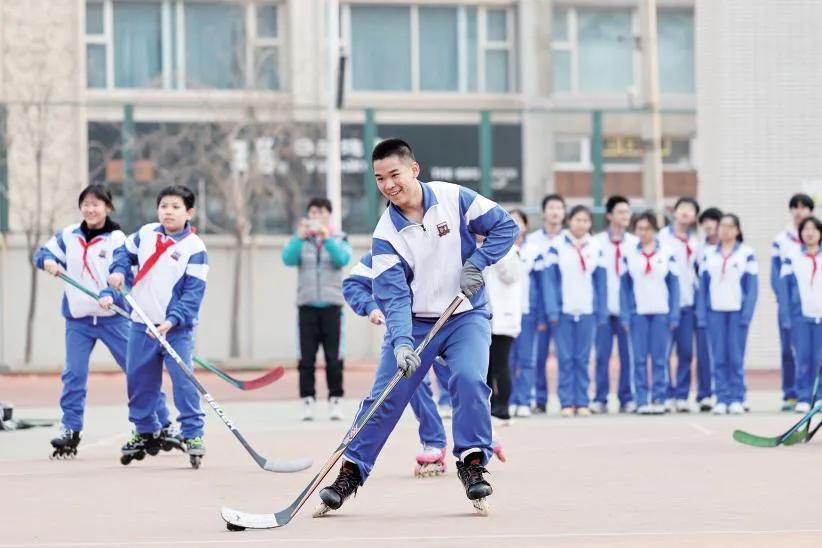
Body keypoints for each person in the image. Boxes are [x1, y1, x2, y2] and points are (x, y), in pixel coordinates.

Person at [315, 138, 518, 516]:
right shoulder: (385, 236)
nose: (389, 184)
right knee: (384, 398)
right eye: (379, 178)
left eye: (394, 174)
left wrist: (478, 262)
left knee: (470, 379)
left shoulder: (454, 198)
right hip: (415, 323)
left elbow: (504, 227)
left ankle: (472, 463)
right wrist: (402, 343)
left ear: (414, 169)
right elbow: (392, 298)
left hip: (465, 314)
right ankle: (350, 473)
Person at [34, 184, 175, 458]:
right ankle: (70, 430)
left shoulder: (117, 239)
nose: (90, 208)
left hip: (113, 318)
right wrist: (48, 262)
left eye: (96, 204)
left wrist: (110, 293)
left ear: (108, 207)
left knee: (139, 372)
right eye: (85, 204)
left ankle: (164, 423)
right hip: (79, 320)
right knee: (74, 374)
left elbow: (123, 271)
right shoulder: (69, 235)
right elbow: (42, 254)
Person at [342, 251, 507, 477]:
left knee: (464, 377)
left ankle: (481, 435)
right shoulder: (385, 249)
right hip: (408, 328)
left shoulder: (448, 236)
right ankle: (434, 441)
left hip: (453, 323)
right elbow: (353, 283)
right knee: (409, 381)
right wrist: (371, 307)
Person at [107, 185, 208, 464]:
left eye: (175, 207)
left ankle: (193, 433)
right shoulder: (146, 234)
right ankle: (145, 429)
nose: (168, 212)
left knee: (183, 381)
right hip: (141, 323)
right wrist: (117, 270)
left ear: (189, 212)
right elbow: (122, 254)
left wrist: (173, 320)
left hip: (176, 329)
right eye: (164, 206)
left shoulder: (195, 249)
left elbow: (193, 293)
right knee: (138, 380)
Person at [282, 197, 352, 421]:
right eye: (312, 212)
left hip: (333, 306)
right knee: (306, 358)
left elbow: (343, 259)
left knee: (334, 357)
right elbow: (288, 259)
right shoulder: (301, 240)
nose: (316, 216)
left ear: (328, 215)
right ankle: (308, 401)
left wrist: (327, 237)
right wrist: (298, 238)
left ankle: (335, 401)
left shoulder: (339, 238)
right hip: (306, 306)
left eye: (321, 212)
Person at [543, 205, 607, 417]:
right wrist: (553, 310)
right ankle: (566, 402)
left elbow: (601, 283)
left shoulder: (596, 247)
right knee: (565, 358)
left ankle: (582, 401)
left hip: (587, 310)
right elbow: (550, 282)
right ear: (570, 221)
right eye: (578, 220)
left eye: (586, 221)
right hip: (564, 311)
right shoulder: (557, 246)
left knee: (583, 358)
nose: (581, 224)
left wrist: (601, 310)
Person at [697, 214, 758, 415]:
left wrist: (746, 314)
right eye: (722, 226)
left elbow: (752, 288)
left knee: (735, 357)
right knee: (719, 357)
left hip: (736, 312)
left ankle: (737, 397)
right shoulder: (708, 254)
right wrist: (702, 314)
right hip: (715, 311)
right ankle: (722, 397)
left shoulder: (746, 253)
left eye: (730, 226)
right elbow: (703, 287)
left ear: (738, 230)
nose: (725, 230)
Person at [620, 211, 680, 415]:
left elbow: (674, 286)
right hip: (639, 313)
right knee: (638, 359)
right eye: (639, 229)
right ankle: (641, 399)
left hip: (661, 312)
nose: (643, 233)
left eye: (647, 229)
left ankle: (659, 397)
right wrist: (626, 314)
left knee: (660, 359)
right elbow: (624, 288)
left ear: (655, 230)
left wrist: (674, 314)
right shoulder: (629, 253)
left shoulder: (667, 252)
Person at [520, 194, 566, 414]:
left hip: (563, 307)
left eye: (559, 207)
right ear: (543, 212)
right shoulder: (533, 241)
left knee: (567, 356)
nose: (555, 212)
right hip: (538, 307)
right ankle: (539, 398)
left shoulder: (569, 239)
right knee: (537, 355)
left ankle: (569, 400)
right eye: (551, 207)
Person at [591, 196, 638, 413]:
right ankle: (601, 397)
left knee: (628, 355)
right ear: (610, 215)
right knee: (602, 355)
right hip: (604, 308)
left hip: (627, 309)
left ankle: (627, 397)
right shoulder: (597, 242)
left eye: (627, 212)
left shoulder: (635, 243)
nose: (625, 216)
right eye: (621, 212)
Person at [771, 193, 815, 411]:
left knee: (814, 352)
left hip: (815, 307)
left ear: (811, 212)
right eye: (795, 207)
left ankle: (813, 394)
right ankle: (791, 393)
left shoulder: (816, 237)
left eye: (804, 207)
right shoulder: (782, 239)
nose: (799, 211)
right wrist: (784, 301)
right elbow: (776, 275)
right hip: (790, 306)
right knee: (789, 350)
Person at [484, 209, 527, 422]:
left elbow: (510, 276)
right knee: (487, 366)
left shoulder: (512, 251)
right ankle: (490, 406)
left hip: (505, 317)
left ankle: (503, 406)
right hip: (488, 317)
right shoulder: (484, 248)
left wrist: (497, 253)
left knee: (501, 364)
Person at [659, 197, 700, 412]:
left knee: (685, 352)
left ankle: (682, 395)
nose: (686, 212)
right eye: (682, 208)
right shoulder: (661, 238)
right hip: (665, 305)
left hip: (688, 304)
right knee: (664, 352)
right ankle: (665, 393)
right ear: (674, 212)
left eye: (691, 210)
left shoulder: (696, 241)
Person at [778, 216, 822, 414]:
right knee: (803, 358)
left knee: (819, 359)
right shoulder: (792, 256)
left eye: (814, 229)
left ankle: (819, 397)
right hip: (801, 316)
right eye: (805, 229)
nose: (809, 232)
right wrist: (786, 316)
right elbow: (784, 289)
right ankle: (804, 396)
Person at [695, 207, 723, 412]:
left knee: (727, 352)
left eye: (713, 220)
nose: (708, 225)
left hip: (726, 306)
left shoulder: (735, 250)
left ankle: (728, 393)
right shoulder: (699, 249)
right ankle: (705, 393)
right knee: (704, 351)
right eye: (704, 221)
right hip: (704, 305)